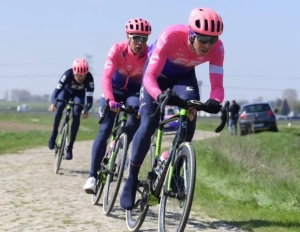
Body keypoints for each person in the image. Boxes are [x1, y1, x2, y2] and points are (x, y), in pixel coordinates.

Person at [120, 7, 225, 210]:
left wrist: (215, 100)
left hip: (184, 77)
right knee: (149, 122)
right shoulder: (171, 36)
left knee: (191, 110)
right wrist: (159, 95)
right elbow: (149, 76)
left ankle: (175, 169)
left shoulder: (218, 49)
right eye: (203, 39)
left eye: (212, 40)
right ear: (192, 34)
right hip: (157, 76)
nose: (207, 45)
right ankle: (132, 178)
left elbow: (218, 86)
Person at [83, 18, 152, 193]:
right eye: (136, 37)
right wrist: (110, 98)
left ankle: (122, 144)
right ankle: (92, 176)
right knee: (105, 129)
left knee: (136, 115)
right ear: (128, 36)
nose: (140, 42)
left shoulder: (149, 54)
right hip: (113, 90)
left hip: (134, 93)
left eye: (144, 39)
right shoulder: (117, 50)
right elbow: (106, 76)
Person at [48, 59, 94, 160]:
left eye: (84, 75)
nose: (81, 78)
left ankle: (70, 147)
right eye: (79, 75)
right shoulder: (67, 74)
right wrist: (53, 103)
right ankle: (54, 133)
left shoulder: (89, 78)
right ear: (74, 72)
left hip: (79, 95)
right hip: (66, 92)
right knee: (59, 106)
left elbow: (89, 98)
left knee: (77, 114)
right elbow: (56, 91)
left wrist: (86, 109)